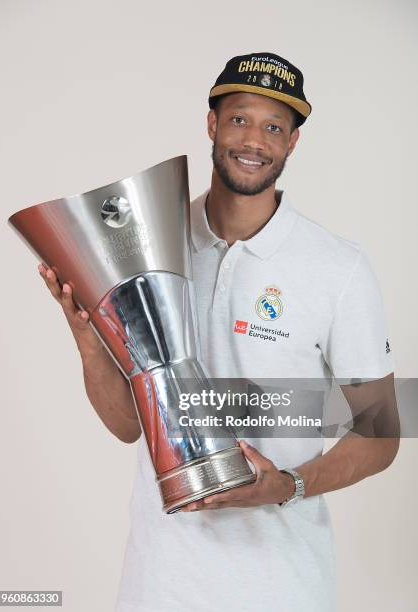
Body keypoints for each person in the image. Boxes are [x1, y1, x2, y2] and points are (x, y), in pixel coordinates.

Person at [38, 52, 400, 612]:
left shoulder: (338, 267)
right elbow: (126, 427)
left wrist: (288, 485)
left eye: (273, 126)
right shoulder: (148, 244)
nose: (253, 140)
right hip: (157, 584)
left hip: (283, 588)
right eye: (238, 118)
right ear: (212, 124)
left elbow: (381, 432)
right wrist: (87, 336)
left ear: (292, 142)